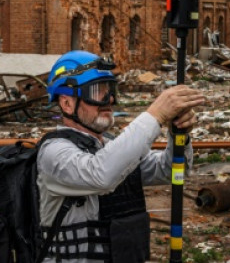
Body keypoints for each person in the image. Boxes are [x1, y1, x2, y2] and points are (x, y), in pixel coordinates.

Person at [36, 50, 205, 263]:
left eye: (110, 90)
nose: (109, 99)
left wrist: (178, 135)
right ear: (67, 103)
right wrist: (156, 114)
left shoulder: (111, 147)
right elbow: (101, 175)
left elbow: (168, 170)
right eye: (96, 91)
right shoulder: (53, 152)